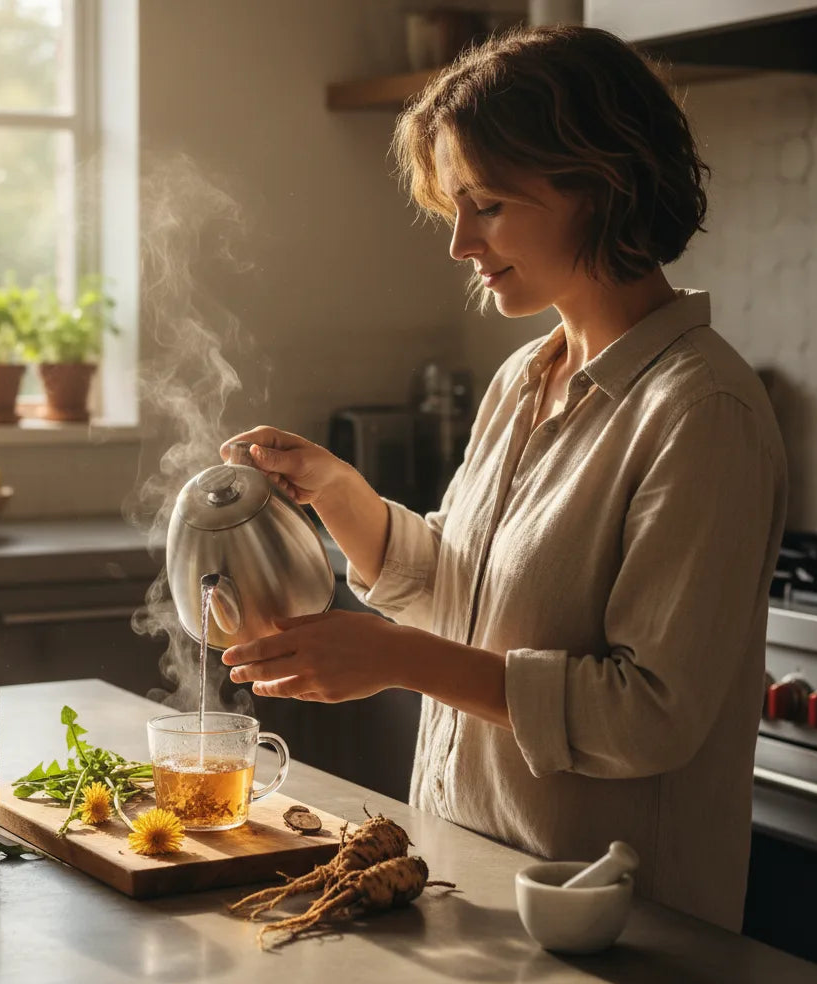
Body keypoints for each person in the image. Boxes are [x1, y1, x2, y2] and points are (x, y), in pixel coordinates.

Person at [219, 25, 787, 932]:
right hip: (467, 880)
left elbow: (649, 713)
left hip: (621, 930)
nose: (459, 244)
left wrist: (394, 659)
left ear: (599, 187)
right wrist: (339, 493)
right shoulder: (529, 376)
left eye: (484, 204)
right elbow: (461, 585)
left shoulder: (701, 410)